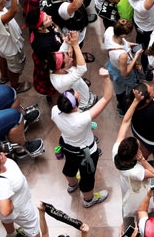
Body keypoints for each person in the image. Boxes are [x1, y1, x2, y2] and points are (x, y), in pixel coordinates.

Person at [51, 67, 113, 208]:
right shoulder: (81, 119)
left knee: (70, 166)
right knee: (87, 176)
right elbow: (106, 98)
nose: (78, 92)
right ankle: (88, 199)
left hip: (67, 145)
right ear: (75, 107)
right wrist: (107, 78)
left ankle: (72, 185)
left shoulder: (55, 111)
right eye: (77, 96)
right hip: (86, 152)